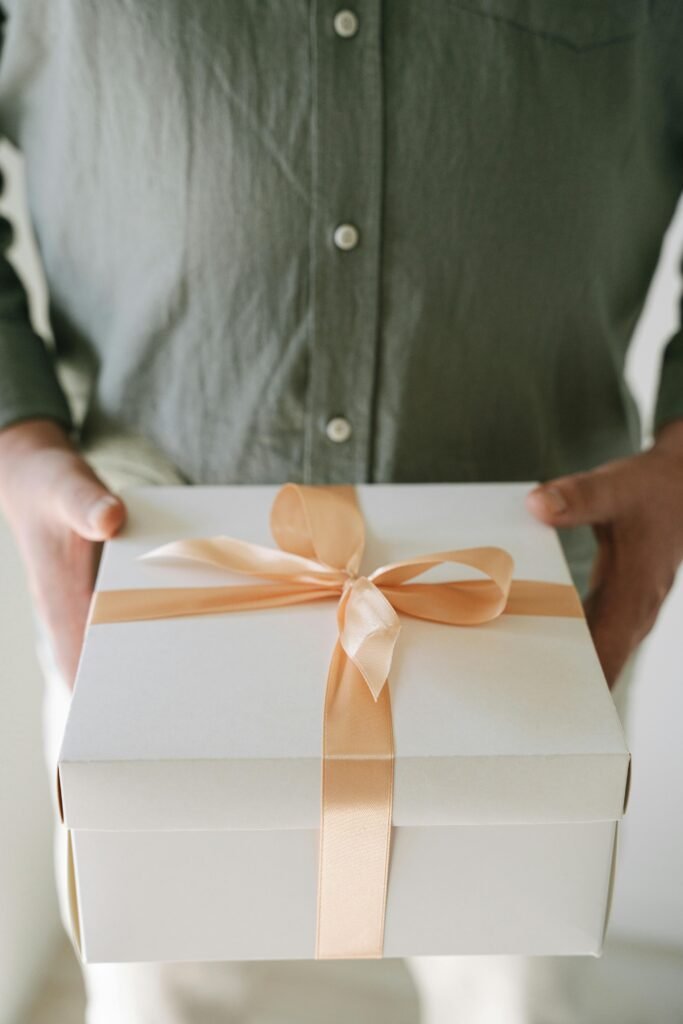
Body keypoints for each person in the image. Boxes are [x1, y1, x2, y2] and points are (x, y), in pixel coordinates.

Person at [0, 2, 682, 1022]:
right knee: (160, 997)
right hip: (156, 592)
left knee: (519, 994)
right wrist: (15, 432)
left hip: (526, 601)